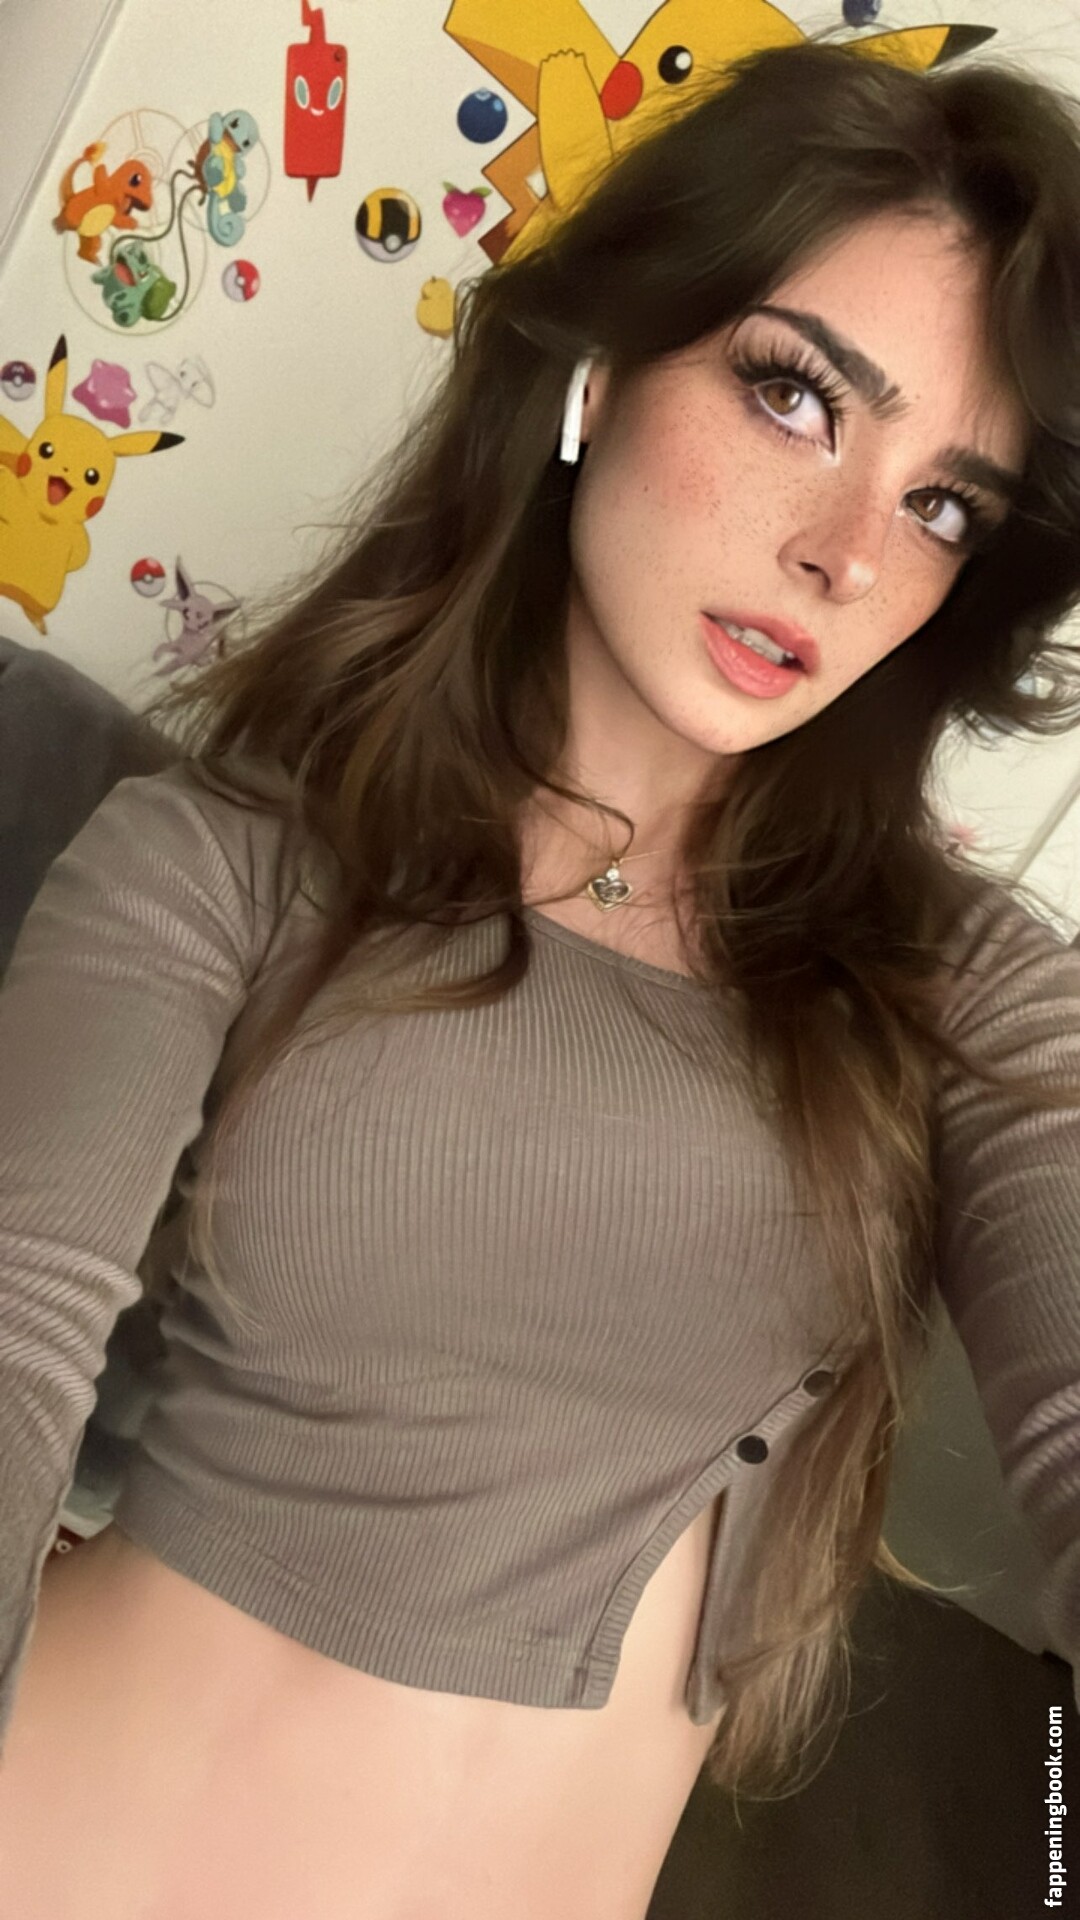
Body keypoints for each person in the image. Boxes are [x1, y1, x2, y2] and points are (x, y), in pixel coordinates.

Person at [2, 35, 1080, 1920]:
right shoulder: (225, 866)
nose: (844, 554)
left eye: (942, 505)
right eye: (797, 396)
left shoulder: (958, 990)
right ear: (600, 366)